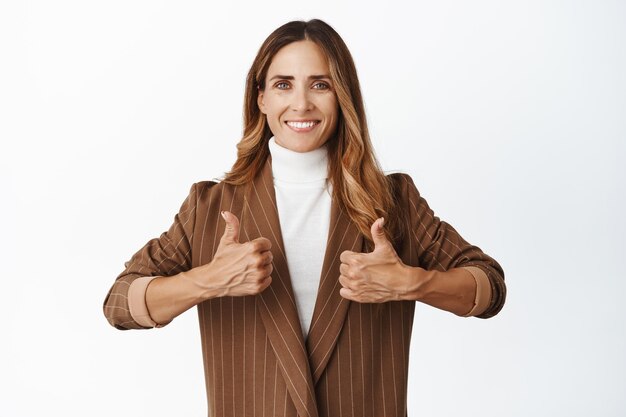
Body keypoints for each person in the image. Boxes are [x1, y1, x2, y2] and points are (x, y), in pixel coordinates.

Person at [103, 18, 506, 417]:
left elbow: (489, 288)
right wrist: (206, 280)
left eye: (320, 84)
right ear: (260, 98)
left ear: (342, 96)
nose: (301, 104)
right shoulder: (210, 205)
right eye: (283, 85)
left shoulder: (394, 201)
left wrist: (413, 283)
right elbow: (119, 303)